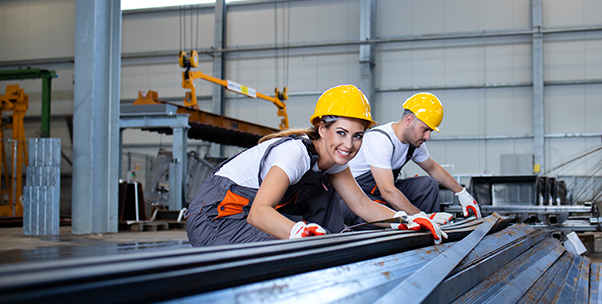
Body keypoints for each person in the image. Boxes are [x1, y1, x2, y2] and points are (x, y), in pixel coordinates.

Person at [185, 84, 446, 246]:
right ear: (322, 129)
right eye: (341, 132)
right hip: (216, 218)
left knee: (324, 210)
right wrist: (297, 231)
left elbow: (362, 205)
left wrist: (410, 220)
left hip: (247, 216)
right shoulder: (294, 153)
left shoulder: (333, 160)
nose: (350, 145)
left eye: (358, 136)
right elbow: (259, 213)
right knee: (293, 250)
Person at [342, 92, 481, 228]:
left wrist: (461, 193)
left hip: (380, 194)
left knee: (428, 185)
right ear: (409, 120)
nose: (427, 137)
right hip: (355, 197)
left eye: (430, 131)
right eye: (425, 129)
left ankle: (425, 233)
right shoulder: (381, 140)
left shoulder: (413, 144)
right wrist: (422, 216)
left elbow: (433, 168)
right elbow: (387, 190)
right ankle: (420, 224)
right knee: (377, 215)